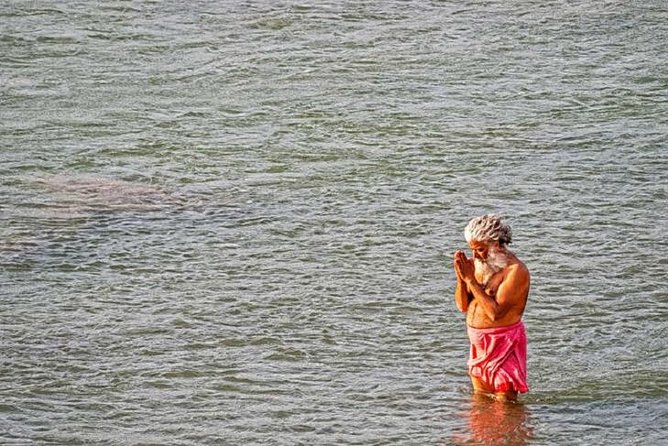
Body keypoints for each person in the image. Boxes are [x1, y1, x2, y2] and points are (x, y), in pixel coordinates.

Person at [453, 214, 531, 401]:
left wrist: (471, 279)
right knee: (479, 408)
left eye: (480, 249)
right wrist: (461, 278)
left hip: (503, 346)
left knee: (506, 409)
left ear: (495, 244)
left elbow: (495, 314)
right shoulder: (480, 265)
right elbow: (463, 306)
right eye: (472, 250)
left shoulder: (516, 271)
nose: (475, 256)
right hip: (478, 349)